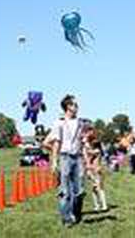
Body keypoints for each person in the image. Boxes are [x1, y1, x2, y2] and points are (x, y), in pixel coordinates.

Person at [44, 95, 85, 227]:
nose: (77, 107)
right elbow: (55, 143)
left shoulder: (81, 123)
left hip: (78, 158)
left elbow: (82, 142)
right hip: (65, 157)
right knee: (65, 191)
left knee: (79, 191)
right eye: (74, 105)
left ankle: (75, 214)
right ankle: (66, 219)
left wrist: (86, 160)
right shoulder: (59, 123)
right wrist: (55, 161)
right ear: (68, 106)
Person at [82, 127, 108, 212]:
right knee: (94, 188)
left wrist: (85, 145)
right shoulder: (90, 148)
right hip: (91, 170)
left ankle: (104, 205)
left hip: (96, 169)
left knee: (99, 187)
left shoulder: (96, 150)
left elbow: (89, 153)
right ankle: (97, 205)